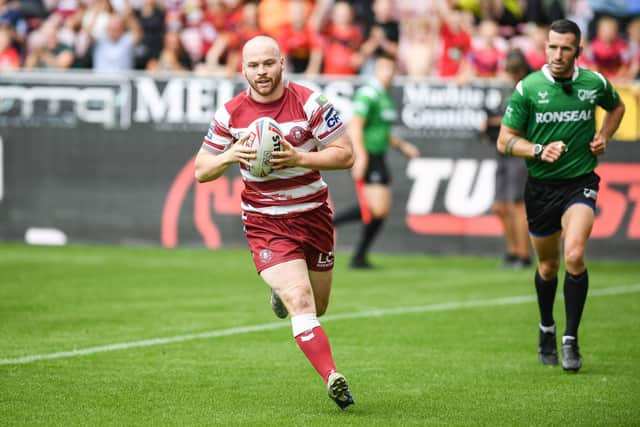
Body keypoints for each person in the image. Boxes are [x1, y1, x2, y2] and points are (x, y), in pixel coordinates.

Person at [194, 35, 355, 409]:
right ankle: (333, 376)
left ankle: (278, 291)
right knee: (301, 301)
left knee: (318, 305)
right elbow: (202, 169)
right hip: (267, 222)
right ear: (243, 69)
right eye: (253, 65)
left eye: (268, 63)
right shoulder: (230, 114)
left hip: (313, 215)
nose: (261, 72)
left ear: (282, 63)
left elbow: (346, 154)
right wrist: (230, 154)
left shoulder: (310, 102)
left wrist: (300, 159)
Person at [497, 19, 625, 372]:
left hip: (580, 182)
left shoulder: (593, 83)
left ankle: (570, 338)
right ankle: (546, 327)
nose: (557, 54)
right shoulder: (528, 88)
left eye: (565, 48)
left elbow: (616, 107)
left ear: (578, 51)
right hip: (540, 188)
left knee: (575, 255)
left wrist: (604, 136)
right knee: (548, 265)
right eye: (552, 46)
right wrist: (538, 149)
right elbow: (504, 140)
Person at [333, 52, 419, 269]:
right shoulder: (369, 94)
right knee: (376, 210)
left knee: (379, 211)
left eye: (393, 69)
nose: (390, 74)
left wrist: (402, 146)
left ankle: (359, 256)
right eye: (386, 69)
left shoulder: (385, 95)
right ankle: (329, 223)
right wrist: (360, 157)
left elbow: (382, 130)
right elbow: (355, 126)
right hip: (369, 155)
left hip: (379, 155)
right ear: (376, 70)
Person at [483, 49, 531, 268]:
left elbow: (522, 121)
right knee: (500, 206)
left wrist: (495, 123)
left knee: (516, 205)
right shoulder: (509, 92)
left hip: (519, 154)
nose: (511, 74)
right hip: (502, 153)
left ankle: (524, 254)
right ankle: (512, 251)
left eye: (514, 70)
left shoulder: (530, 90)